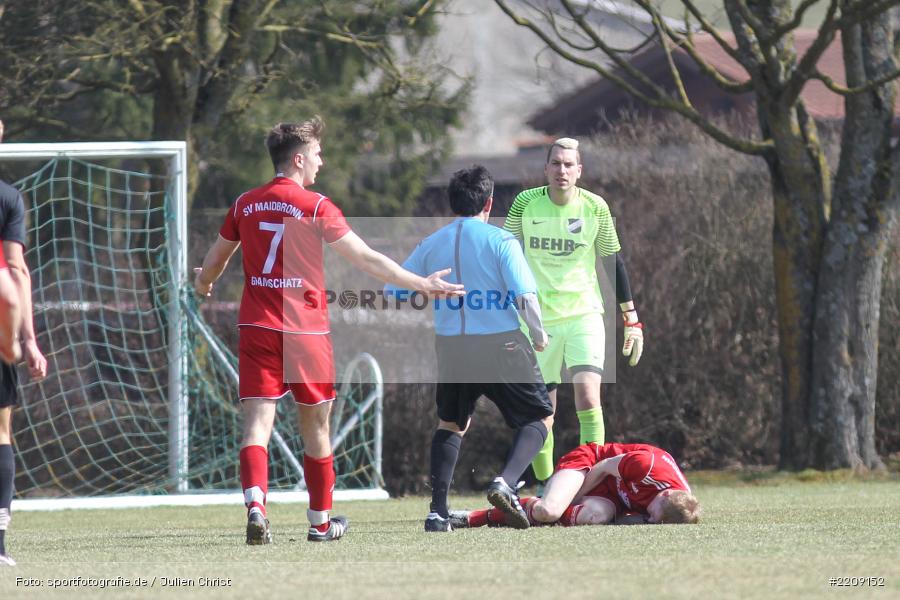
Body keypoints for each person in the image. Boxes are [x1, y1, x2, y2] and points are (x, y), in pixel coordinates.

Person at [194, 117, 463, 545]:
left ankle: (256, 506)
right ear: (299, 159)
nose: (322, 161)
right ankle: (320, 525)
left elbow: (214, 260)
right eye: (318, 154)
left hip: (257, 326)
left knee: (257, 426)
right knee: (316, 429)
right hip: (305, 332)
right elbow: (368, 259)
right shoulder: (317, 206)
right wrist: (423, 285)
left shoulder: (245, 203)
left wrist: (203, 284)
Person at [385, 165, 554, 531]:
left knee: (451, 423)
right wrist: (539, 335)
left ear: (452, 202)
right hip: (502, 342)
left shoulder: (431, 244)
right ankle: (505, 483)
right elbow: (524, 295)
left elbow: (393, 290)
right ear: (489, 202)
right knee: (539, 418)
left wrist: (426, 287)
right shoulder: (501, 241)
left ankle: (437, 512)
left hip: (452, 348)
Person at [503, 137, 644, 483]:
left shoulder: (596, 207)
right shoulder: (525, 203)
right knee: (541, 412)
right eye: (556, 163)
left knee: (587, 396)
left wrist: (632, 319)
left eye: (569, 164)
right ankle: (547, 487)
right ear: (546, 168)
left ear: (579, 171)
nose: (561, 170)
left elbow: (613, 262)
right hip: (538, 322)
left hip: (584, 315)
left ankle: (592, 483)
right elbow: (504, 257)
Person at [0, 119, 50, 567]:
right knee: (0, 433)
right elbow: (15, 271)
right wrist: (28, 340)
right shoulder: (8, 197)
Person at [454, 442, 701, 528]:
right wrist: (569, 500)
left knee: (595, 516)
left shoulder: (677, 506)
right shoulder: (647, 465)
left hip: (611, 495)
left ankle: (522, 513)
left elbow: (651, 514)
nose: (648, 516)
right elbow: (603, 468)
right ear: (666, 492)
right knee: (549, 512)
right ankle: (473, 517)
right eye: (652, 510)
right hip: (591, 464)